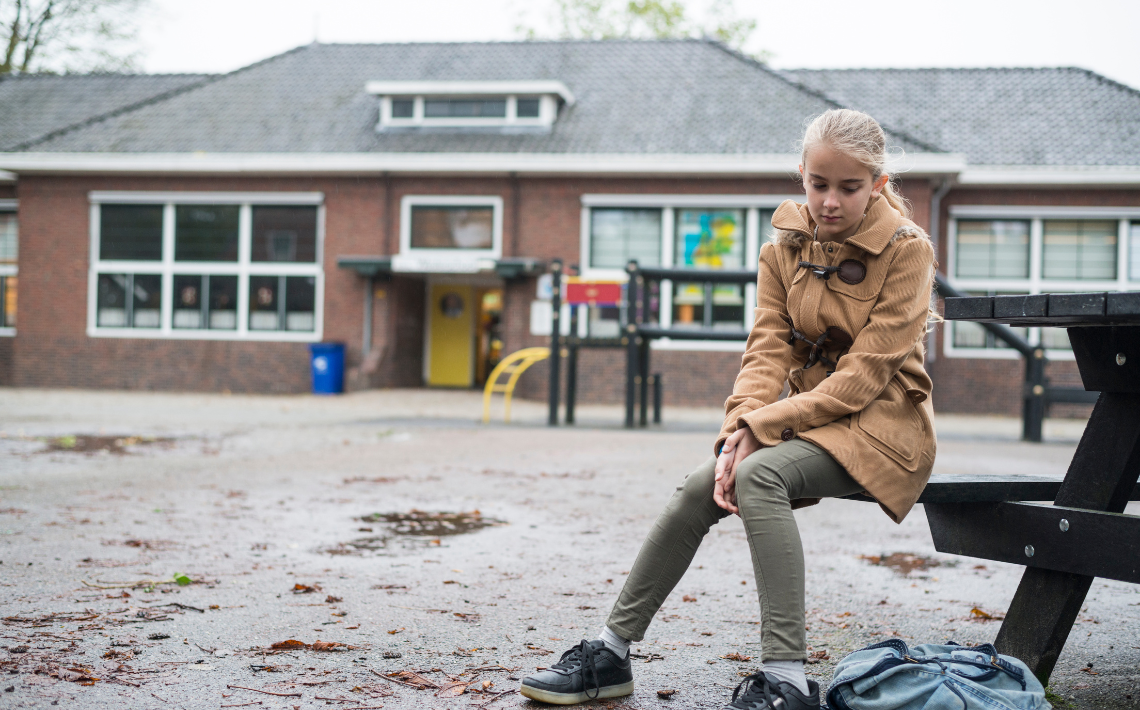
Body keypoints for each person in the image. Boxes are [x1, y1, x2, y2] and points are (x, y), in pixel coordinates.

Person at [520, 108, 939, 709]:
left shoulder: (907, 250)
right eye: (818, 184)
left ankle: (787, 679)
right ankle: (610, 652)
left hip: (884, 426)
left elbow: (864, 378)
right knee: (702, 484)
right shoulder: (784, 248)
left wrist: (760, 430)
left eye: (849, 188)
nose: (829, 201)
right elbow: (765, 352)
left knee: (759, 474)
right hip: (812, 420)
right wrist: (735, 432)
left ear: (877, 184)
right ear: (802, 176)